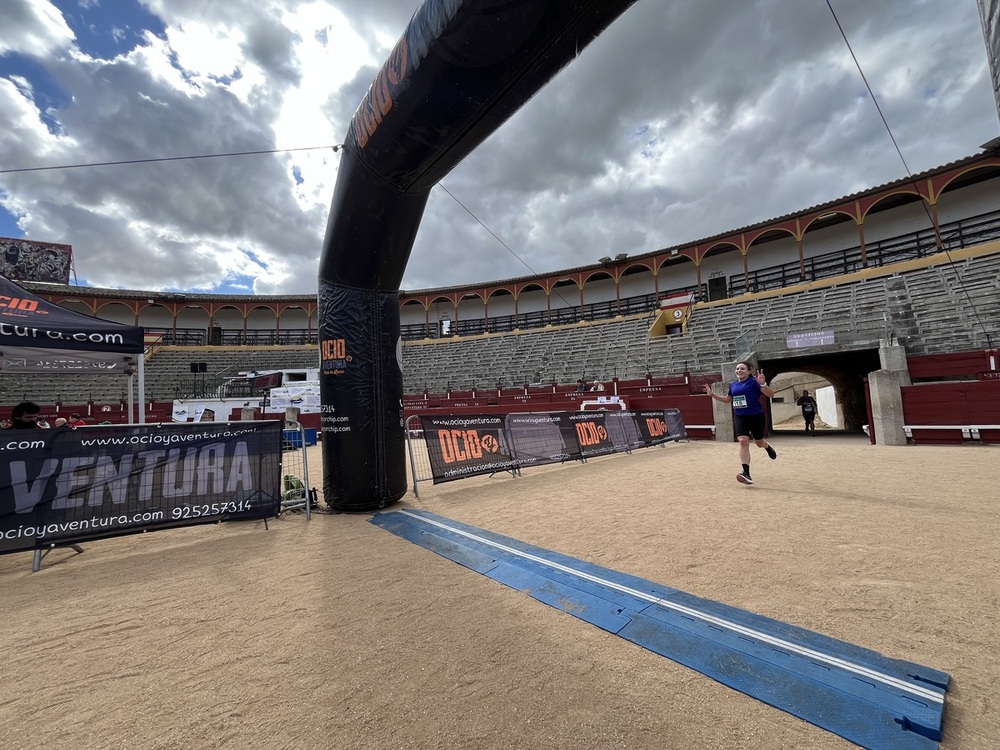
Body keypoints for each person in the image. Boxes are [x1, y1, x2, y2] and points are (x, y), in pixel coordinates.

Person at [702, 362, 777, 486]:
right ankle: (746, 474)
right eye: (737, 369)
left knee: (759, 443)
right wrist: (713, 395)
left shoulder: (754, 382)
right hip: (740, 416)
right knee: (742, 441)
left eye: (742, 368)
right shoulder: (733, 385)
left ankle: (766, 446)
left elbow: (771, 394)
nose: (739, 370)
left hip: (756, 416)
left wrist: (763, 384)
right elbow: (728, 400)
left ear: (748, 371)